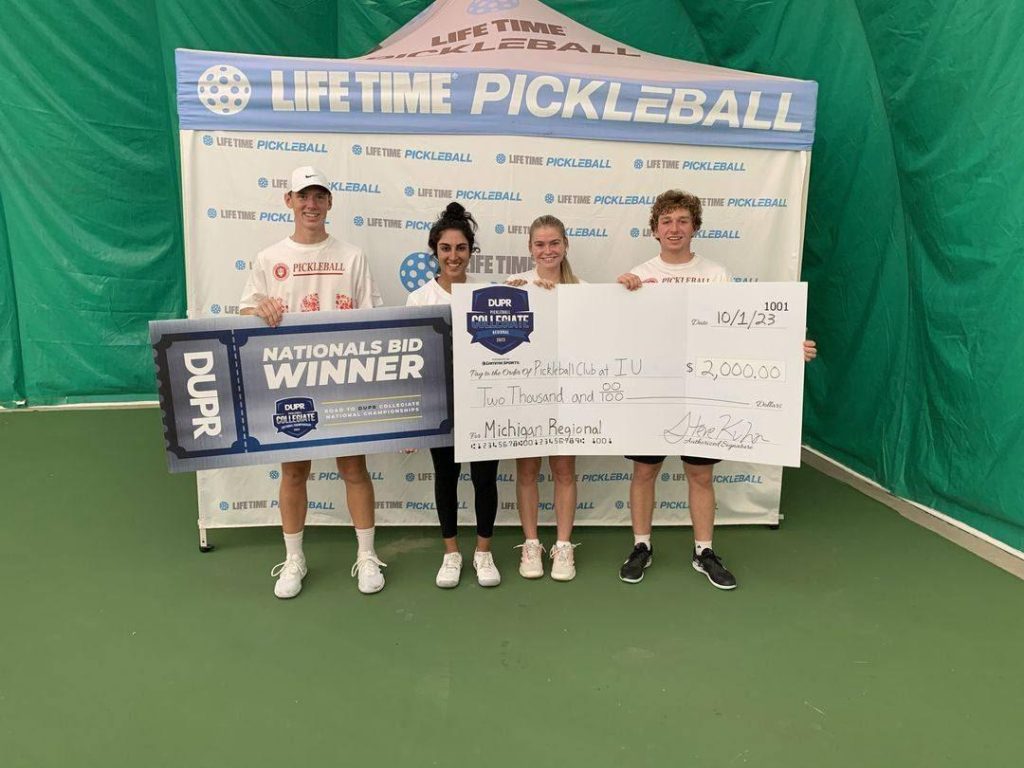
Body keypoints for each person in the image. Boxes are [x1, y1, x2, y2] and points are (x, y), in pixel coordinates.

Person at [616, 189, 817, 590]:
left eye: (683, 221)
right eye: (667, 221)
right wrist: (619, 296)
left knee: (700, 474)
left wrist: (787, 348)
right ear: (655, 230)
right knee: (644, 471)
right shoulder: (638, 274)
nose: (675, 229)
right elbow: (619, 332)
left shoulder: (717, 275)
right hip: (654, 389)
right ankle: (641, 546)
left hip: (702, 391)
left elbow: (741, 331)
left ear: (695, 228)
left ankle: (703, 551)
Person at [239, 165, 386, 598]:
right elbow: (245, 312)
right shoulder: (270, 259)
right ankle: (294, 558)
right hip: (291, 383)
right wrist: (258, 310)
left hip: (343, 379)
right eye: (304, 196)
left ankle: (365, 555)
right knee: (294, 470)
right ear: (289, 201)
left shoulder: (352, 256)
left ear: (330, 203)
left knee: (353, 467)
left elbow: (372, 315)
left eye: (319, 196)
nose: (311, 204)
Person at [407, 202, 502, 589]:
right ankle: (451, 553)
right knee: (446, 476)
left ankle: (483, 552)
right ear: (435, 251)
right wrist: (413, 419)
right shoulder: (419, 300)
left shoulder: (487, 296)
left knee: (485, 478)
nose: (453, 256)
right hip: (441, 408)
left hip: (482, 406)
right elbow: (412, 364)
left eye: (461, 248)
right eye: (445, 248)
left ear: (470, 251)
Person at [506, 215, 583, 581]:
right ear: (530, 248)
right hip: (526, 395)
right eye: (540, 244)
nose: (548, 250)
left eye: (554, 243)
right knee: (527, 471)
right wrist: (515, 297)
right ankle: (532, 543)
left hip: (566, 395)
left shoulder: (583, 290)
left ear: (565, 245)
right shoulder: (513, 288)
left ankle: (563, 547)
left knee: (564, 470)